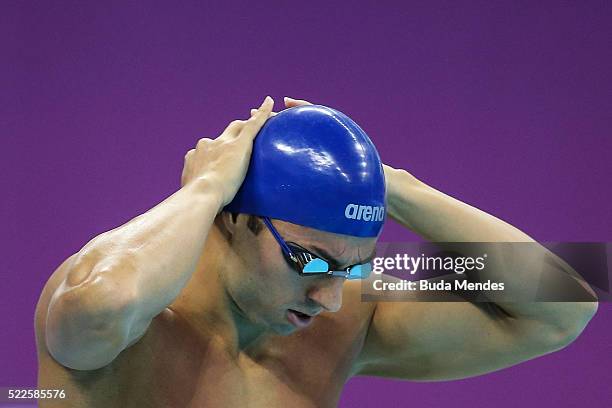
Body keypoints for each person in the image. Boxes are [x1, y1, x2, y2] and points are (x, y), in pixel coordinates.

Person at [35, 96, 597, 408]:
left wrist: (398, 187)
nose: (329, 298)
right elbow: (102, 301)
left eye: (354, 266)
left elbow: (564, 301)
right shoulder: (136, 315)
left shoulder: (351, 297)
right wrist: (204, 190)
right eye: (308, 261)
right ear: (235, 219)